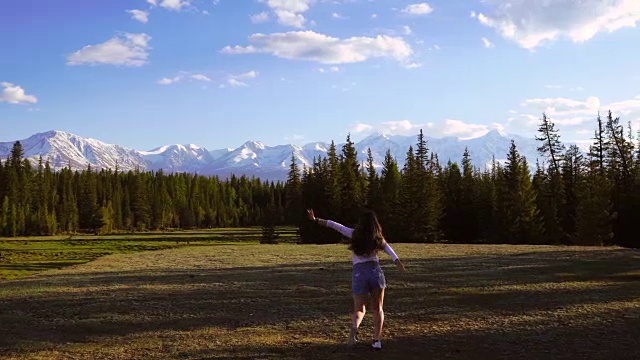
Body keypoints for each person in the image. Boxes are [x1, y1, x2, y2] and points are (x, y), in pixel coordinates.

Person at [306, 208, 405, 350]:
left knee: (359, 308)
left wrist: (315, 220)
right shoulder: (378, 238)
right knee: (378, 308)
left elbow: (334, 225)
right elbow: (388, 249)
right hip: (375, 272)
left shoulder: (353, 234)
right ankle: (377, 341)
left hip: (359, 273)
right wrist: (397, 261)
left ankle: (354, 327)